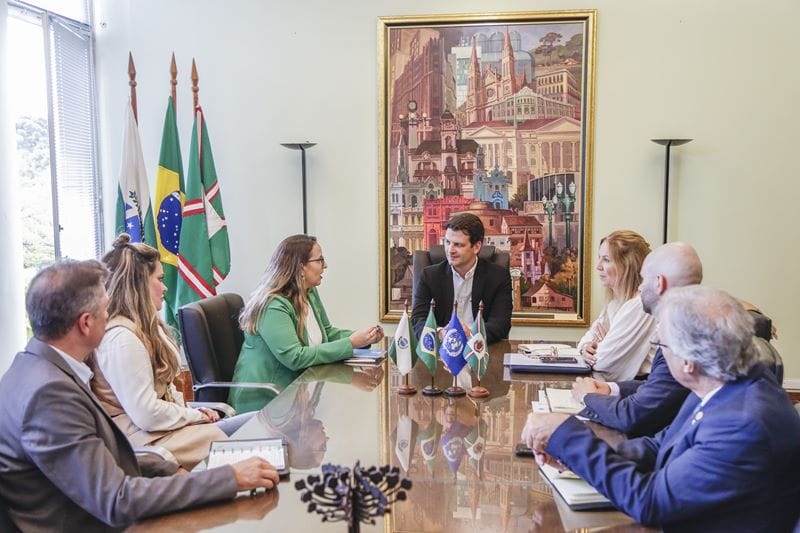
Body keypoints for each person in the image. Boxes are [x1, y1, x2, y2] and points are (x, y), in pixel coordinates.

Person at [0, 260, 279, 531]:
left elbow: (95, 460)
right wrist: (229, 478)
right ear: (85, 323)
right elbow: (116, 500)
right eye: (105, 309)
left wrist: (165, 468)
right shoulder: (49, 396)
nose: (110, 317)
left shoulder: (31, 368)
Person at [522, 286, 800, 532]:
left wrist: (567, 435)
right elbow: (660, 446)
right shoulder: (720, 381)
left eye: (659, 344)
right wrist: (574, 459)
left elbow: (651, 502)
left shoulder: (742, 424)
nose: (658, 354)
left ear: (688, 360)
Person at [90, 234, 252, 469]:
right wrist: (195, 416)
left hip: (165, 431)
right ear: (139, 284)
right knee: (258, 436)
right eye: (159, 278)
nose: (165, 287)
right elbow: (146, 413)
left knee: (261, 427)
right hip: (147, 441)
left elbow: (165, 391)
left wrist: (190, 411)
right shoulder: (122, 339)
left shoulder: (145, 327)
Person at [229, 234, 383, 413]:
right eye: (320, 260)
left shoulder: (308, 293)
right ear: (301, 267)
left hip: (298, 395)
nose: (325, 265)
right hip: (267, 402)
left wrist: (363, 337)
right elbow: (295, 358)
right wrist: (351, 343)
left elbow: (327, 333)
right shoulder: (272, 306)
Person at [571, 242, 702, 436]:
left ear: (659, 283)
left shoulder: (680, 339)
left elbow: (633, 416)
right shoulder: (681, 325)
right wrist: (610, 389)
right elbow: (656, 386)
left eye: (643, 279)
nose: (640, 287)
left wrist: (589, 397)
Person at [411, 213, 512, 343]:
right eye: (447, 242)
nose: (450, 250)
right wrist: (440, 333)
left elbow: (501, 324)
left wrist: (471, 333)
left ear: (476, 247)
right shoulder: (429, 276)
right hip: (441, 352)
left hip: (479, 352)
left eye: (458, 245)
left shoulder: (498, 277)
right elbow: (418, 320)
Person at [577, 230, 655, 381]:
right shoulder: (614, 304)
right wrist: (586, 347)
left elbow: (603, 363)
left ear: (627, 266)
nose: (598, 266)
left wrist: (601, 345)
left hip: (640, 388)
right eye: (599, 258)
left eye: (606, 259)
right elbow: (585, 340)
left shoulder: (640, 306)